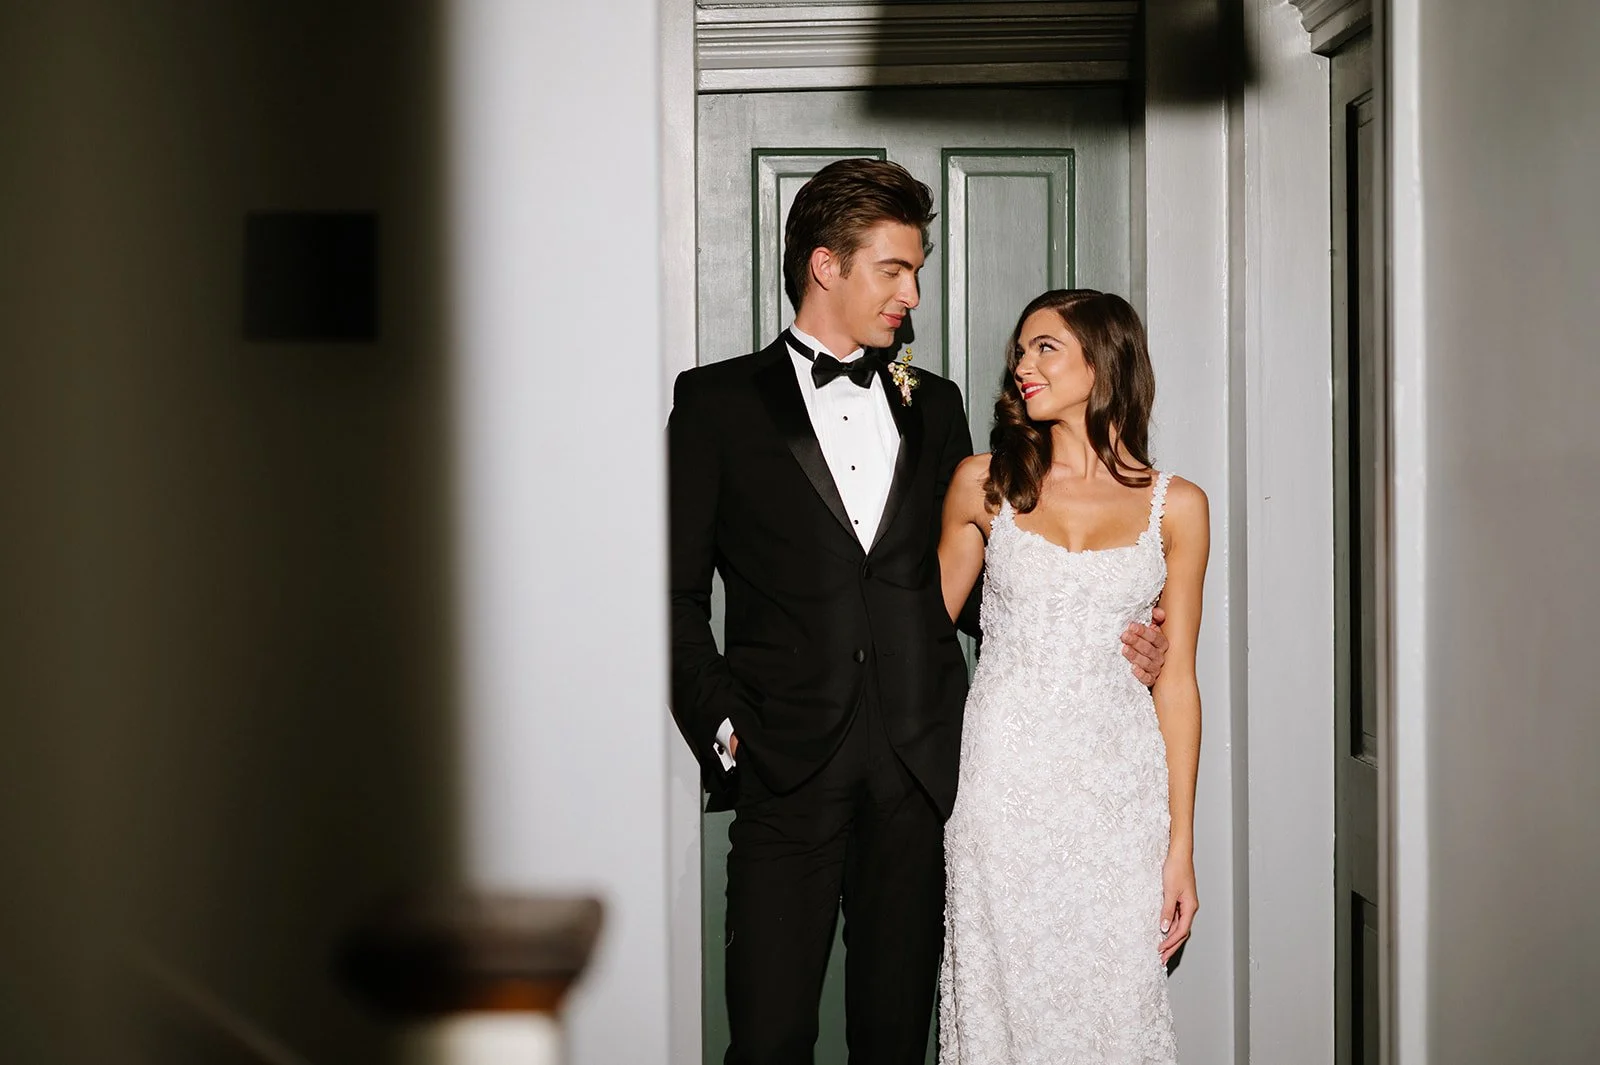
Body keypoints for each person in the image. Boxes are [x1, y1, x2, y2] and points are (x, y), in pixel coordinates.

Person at [668, 162, 1169, 1065]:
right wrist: (726, 725)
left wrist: (1113, 634)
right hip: (785, 768)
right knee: (769, 1039)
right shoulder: (715, 403)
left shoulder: (935, 405)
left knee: (896, 1043)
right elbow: (669, 597)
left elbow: (982, 582)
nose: (913, 293)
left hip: (921, 777)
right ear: (826, 265)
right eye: (894, 269)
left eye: (917, 270)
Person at [935, 289, 1208, 1065]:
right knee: (1000, 1006)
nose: (1023, 365)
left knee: (1114, 1009)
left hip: (1119, 798)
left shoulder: (1179, 507)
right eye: (1020, 351)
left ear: (1104, 361)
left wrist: (1181, 845)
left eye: (1045, 347)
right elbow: (916, 636)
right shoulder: (983, 484)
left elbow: (1178, 682)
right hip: (1001, 789)